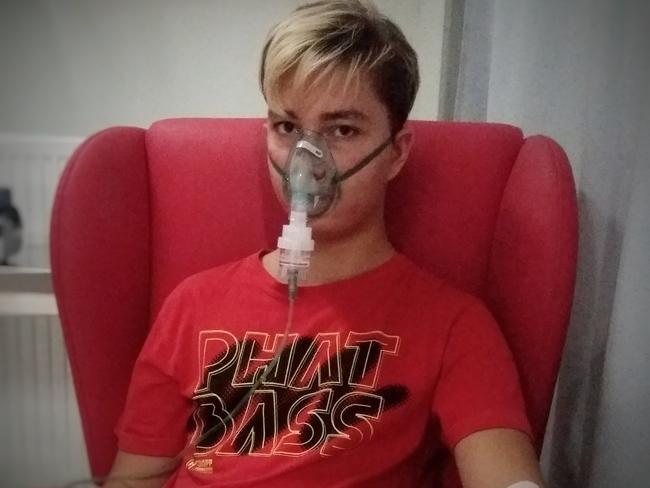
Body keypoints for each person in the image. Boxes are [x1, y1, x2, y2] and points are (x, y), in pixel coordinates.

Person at [106, 1, 545, 487]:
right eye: (287, 127)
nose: (306, 160)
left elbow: (506, 475)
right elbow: (137, 477)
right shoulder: (192, 305)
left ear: (396, 152)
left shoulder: (453, 326)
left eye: (342, 129)